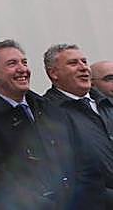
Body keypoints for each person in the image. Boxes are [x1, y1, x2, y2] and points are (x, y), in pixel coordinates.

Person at [0, 39, 77, 209]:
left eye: (24, 62)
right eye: (12, 64)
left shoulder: (47, 108)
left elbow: (75, 158)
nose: (22, 69)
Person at [40, 43, 113, 206]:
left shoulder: (106, 104)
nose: (83, 68)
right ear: (53, 73)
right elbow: (70, 173)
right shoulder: (48, 112)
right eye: (73, 63)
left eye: (84, 62)